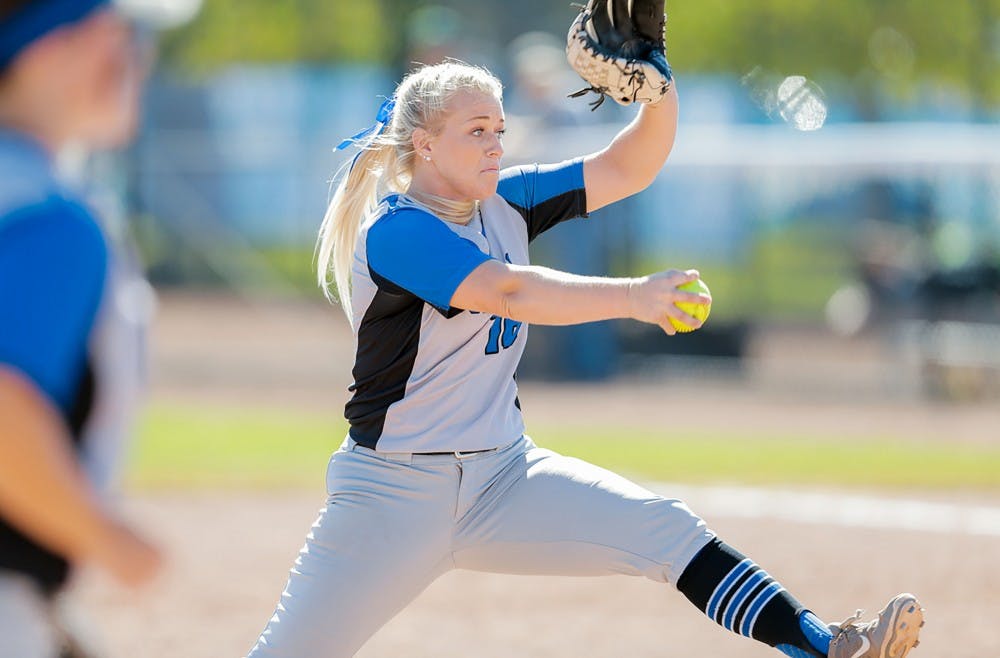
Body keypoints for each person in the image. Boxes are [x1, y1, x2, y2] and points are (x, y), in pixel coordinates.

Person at [247, 60, 924, 658]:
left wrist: (656, 85)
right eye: (476, 130)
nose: (496, 144)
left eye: (499, 128)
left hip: (505, 476)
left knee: (667, 528)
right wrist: (636, 295)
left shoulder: (508, 200)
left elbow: (633, 164)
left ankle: (826, 645)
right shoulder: (396, 229)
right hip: (392, 495)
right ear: (424, 144)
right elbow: (506, 290)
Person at [0, 1, 168, 655]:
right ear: (49, 48)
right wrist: (109, 541)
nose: (134, 58)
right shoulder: (45, 217)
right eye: (116, 34)